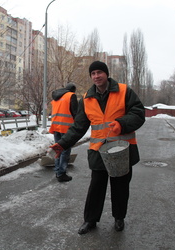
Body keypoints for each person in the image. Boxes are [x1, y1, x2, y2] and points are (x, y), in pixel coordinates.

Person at [49, 61, 145, 234]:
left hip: (122, 150)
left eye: (99, 72)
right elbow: (78, 126)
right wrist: (63, 144)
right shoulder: (86, 98)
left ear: (106, 74)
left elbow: (138, 113)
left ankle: (119, 218)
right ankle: (90, 220)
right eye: (93, 73)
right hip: (98, 151)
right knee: (96, 186)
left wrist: (122, 124)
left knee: (120, 186)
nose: (96, 76)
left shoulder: (124, 91)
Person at [49, 82, 78, 182]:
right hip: (66, 128)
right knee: (65, 150)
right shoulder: (71, 96)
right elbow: (75, 113)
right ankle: (61, 174)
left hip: (56, 126)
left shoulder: (56, 96)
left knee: (58, 149)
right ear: (73, 89)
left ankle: (57, 170)